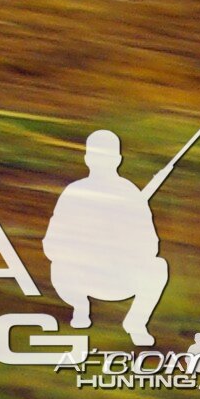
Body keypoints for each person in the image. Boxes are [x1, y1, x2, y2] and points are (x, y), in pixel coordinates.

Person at [48, 130, 173, 346]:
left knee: (158, 267)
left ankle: (136, 322)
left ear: (117, 160)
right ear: (87, 159)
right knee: (58, 266)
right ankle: (80, 307)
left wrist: (121, 243)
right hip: (81, 277)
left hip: (120, 278)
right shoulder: (74, 192)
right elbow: (52, 244)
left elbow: (150, 246)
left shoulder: (131, 194)